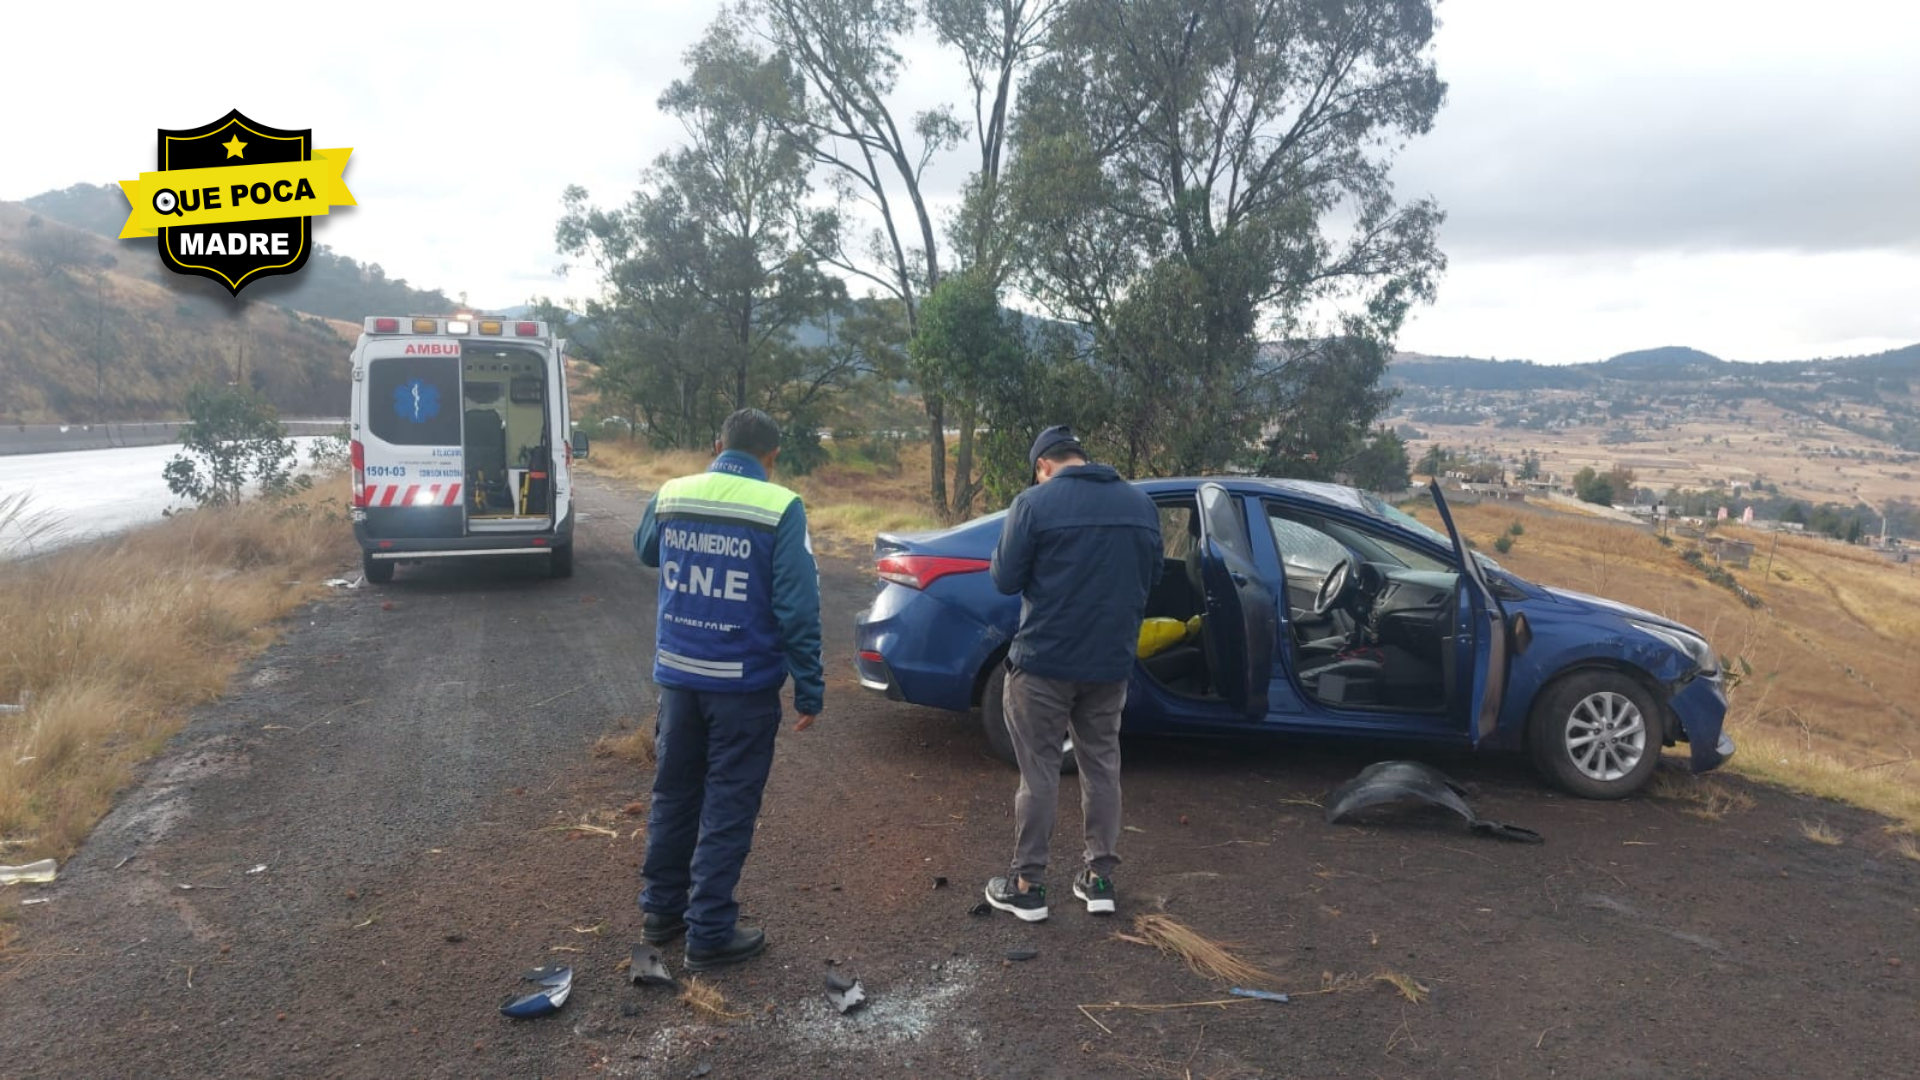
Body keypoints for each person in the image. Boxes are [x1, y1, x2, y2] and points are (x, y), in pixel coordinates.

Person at [633, 408, 823, 970]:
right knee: (728, 804)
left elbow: (645, 548)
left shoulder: (673, 493)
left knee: (674, 795)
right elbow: (796, 606)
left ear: (718, 444)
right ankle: (710, 931)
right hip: (742, 686)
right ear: (773, 456)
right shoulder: (780, 506)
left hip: (678, 680)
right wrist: (809, 688)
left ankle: (661, 912)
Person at [984, 425, 1162, 921]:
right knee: (1102, 766)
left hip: (1043, 663)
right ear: (1081, 457)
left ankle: (1027, 886)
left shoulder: (1034, 504)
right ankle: (1099, 880)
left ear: (1044, 465)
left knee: (1039, 772)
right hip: (1109, 666)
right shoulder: (1140, 505)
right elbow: (1154, 578)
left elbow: (1004, 579)